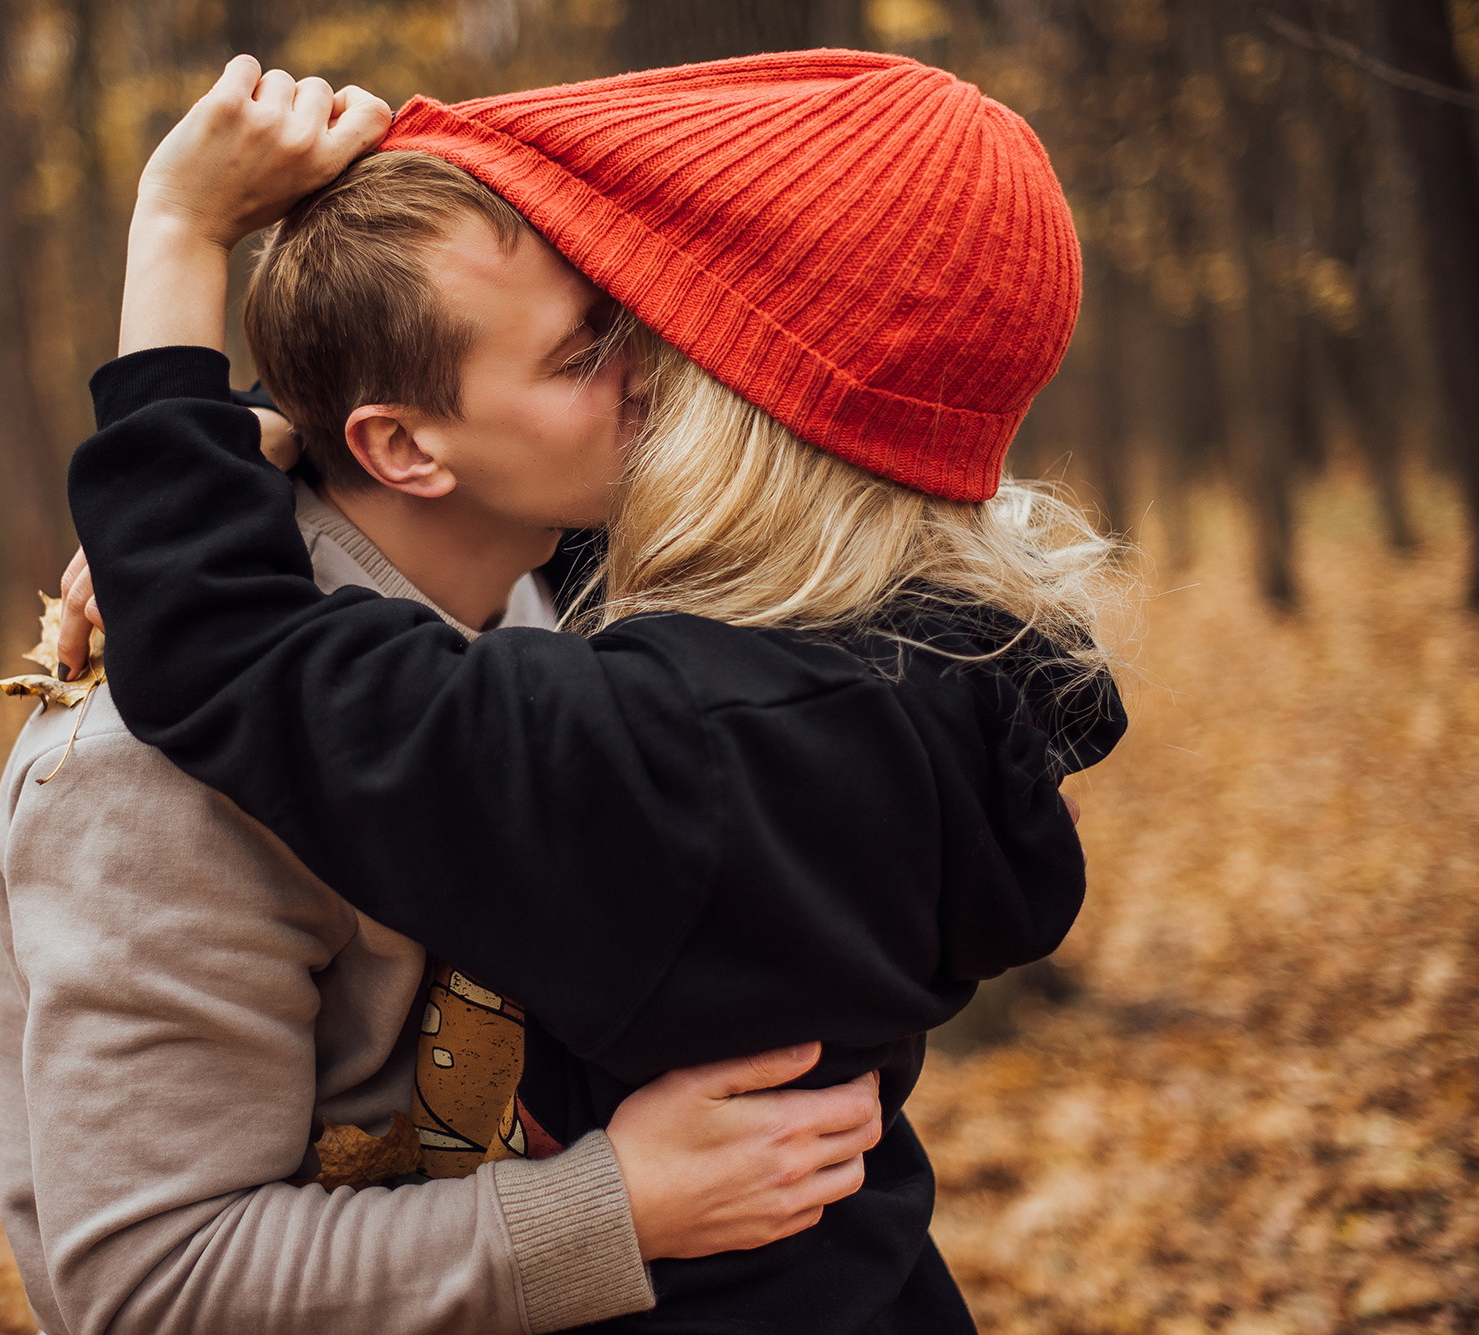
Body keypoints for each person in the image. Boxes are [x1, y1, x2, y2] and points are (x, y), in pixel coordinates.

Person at [63, 49, 1130, 1333]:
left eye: (660, 327)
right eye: (595, 342)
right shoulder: (917, 671)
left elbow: (230, 649)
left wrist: (179, 247)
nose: (646, 368)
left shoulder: (676, 736)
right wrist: (249, 447)